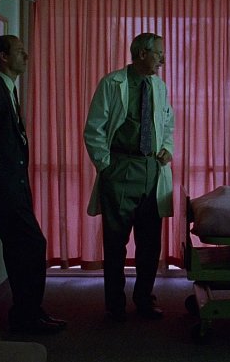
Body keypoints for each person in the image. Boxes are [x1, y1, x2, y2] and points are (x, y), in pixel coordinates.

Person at [0, 35, 66, 334]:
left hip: (15, 187)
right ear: (3, 57)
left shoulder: (8, 90)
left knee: (23, 248)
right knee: (33, 245)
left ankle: (30, 311)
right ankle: (26, 315)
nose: (26, 56)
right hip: (3, 190)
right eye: (20, 51)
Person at [84, 32, 175, 322]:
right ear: (142, 54)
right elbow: (94, 128)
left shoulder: (158, 86)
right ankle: (115, 305)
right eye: (158, 53)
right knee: (115, 242)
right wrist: (106, 166)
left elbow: (168, 123)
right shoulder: (112, 83)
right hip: (121, 168)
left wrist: (167, 148)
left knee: (150, 243)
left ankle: (144, 299)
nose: (162, 59)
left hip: (151, 169)